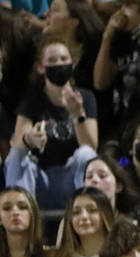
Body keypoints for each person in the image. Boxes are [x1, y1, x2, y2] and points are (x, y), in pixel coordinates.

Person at [7, 37, 99, 211]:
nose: (59, 64)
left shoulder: (85, 97)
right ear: (41, 67)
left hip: (70, 178)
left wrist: (77, 115)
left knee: (85, 154)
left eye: (64, 59)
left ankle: (86, 211)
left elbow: (91, 147)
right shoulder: (33, 98)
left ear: (73, 63)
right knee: (16, 156)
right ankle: (19, 213)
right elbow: (18, 142)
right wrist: (30, 138)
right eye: (52, 60)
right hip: (40, 179)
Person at [48, 188, 114, 257]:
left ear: (105, 215)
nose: (83, 217)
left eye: (92, 210)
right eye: (76, 212)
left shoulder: (123, 255)